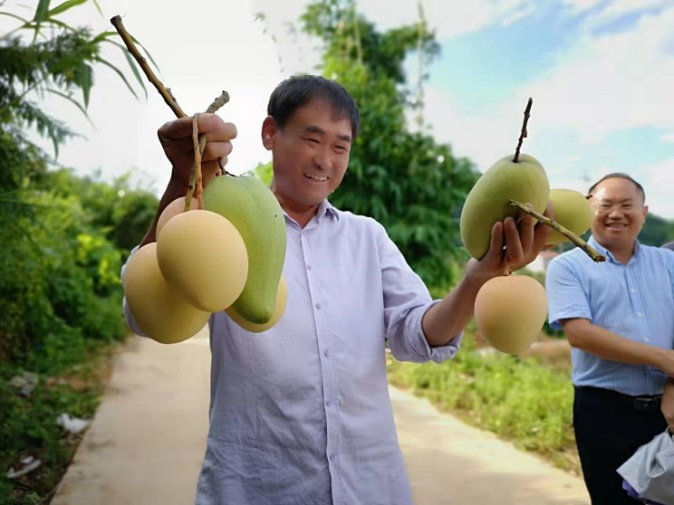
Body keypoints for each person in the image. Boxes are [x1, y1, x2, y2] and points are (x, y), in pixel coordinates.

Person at [123, 75, 551, 505]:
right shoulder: (222, 223)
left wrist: (477, 279)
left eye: (340, 147)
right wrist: (183, 183)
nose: (325, 160)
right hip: (256, 487)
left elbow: (418, 336)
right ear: (270, 134)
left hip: (371, 487)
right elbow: (145, 314)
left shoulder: (367, 238)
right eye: (313, 139)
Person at [545, 173, 674, 505]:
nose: (616, 213)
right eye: (606, 205)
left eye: (626, 205)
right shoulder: (567, 267)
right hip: (605, 414)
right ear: (589, 210)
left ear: (644, 213)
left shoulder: (669, 263)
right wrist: (663, 360)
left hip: (667, 412)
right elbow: (580, 334)